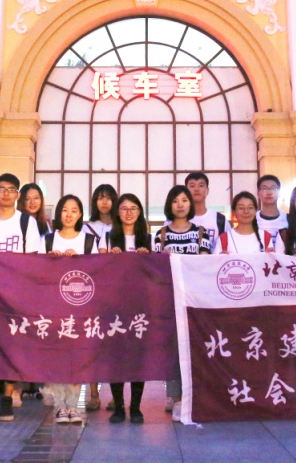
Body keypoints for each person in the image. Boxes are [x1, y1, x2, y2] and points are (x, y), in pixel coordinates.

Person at [0, 173, 41, 422]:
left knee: (13, 348)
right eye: (1, 189)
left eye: (11, 189)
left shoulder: (26, 222)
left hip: (15, 297)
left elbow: (32, 260)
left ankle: (7, 399)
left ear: (17, 195)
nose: (6, 193)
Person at [39, 194, 100, 425]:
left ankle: (73, 406)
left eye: (74, 210)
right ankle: (60, 406)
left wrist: (81, 261)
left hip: (80, 309)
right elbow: (36, 271)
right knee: (57, 357)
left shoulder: (88, 241)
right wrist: (49, 260)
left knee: (77, 358)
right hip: (53, 308)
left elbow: (97, 273)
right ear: (59, 213)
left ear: (80, 214)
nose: (69, 214)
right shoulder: (47, 240)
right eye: (65, 210)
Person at [154, 185, 211, 420]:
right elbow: (155, 269)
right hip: (170, 300)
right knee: (174, 349)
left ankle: (195, 397)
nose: (180, 204)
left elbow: (205, 265)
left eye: (184, 200)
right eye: (175, 200)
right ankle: (177, 398)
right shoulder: (161, 234)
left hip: (195, 299)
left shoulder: (201, 233)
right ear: (170, 204)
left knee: (196, 347)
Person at [104, 193, 151, 424]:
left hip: (141, 305)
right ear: (117, 212)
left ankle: (136, 407)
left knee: (137, 357)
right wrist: (109, 257)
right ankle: (118, 407)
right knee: (116, 357)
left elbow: (155, 271)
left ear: (140, 212)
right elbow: (99, 269)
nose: (129, 212)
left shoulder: (148, 239)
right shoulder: (108, 237)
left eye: (133, 208)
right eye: (124, 208)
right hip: (114, 305)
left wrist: (148, 258)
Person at [15, 183, 52, 405]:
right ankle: (19, 385)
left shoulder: (47, 225)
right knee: (21, 336)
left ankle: (36, 384)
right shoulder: (16, 222)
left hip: (40, 289)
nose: (32, 202)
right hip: (19, 288)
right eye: (27, 198)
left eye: (36, 198)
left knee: (39, 335)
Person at [84, 182, 117, 410]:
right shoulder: (87, 228)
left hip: (116, 291)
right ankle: (94, 394)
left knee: (115, 344)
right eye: (100, 197)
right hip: (93, 290)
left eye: (108, 197)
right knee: (92, 343)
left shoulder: (121, 226)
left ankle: (116, 396)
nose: (104, 202)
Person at [185, 172, 233, 252]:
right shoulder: (175, 220)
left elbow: (230, 248)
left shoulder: (220, 220)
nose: (196, 189)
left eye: (201, 185)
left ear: (207, 190)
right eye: (192, 186)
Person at [255, 174, 289, 241]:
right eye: (264, 189)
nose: (269, 192)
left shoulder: (289, 219)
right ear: (258, 193)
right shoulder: (252, 219)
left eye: (273, 188)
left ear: (279, 192)